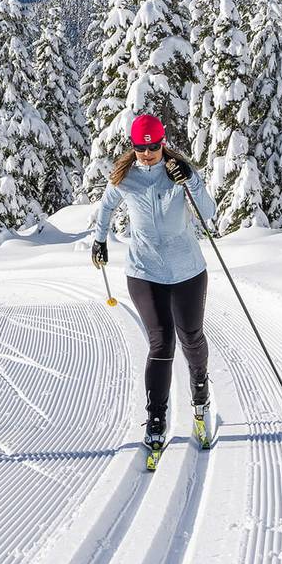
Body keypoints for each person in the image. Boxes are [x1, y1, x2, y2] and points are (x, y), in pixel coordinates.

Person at [90, 113, 218, 457]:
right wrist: (99, 240)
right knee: (161, 344)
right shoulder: (125, 178)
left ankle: (200, 390)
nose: (147, 153)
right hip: (144, 271)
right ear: (132, 147)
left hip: (188, 269)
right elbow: (104, 209)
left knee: (191, 336)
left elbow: (210, 212)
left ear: (163, 143)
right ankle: (156, 417)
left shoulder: (179, 173)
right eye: (140, 147)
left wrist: (190, 180)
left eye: (153, 147)